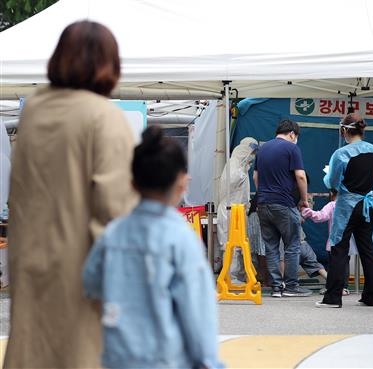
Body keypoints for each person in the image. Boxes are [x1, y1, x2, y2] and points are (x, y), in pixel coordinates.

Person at [4, 21, 137, 368]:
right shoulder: (104, 118)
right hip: (82, 272)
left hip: (29, 261)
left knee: (32, 352)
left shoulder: (33, 111)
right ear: (110, 65)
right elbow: (117, 210)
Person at [82, 127, 222, 369]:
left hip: (118, 357)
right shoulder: (182, 238)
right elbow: (197, 313)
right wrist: (209, 362)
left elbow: (91, 283)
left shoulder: (113, 233)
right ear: (182, 183)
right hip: (166, 359)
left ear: (132, 184)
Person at [316, 113, 373, 308]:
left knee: (339, 249)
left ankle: (333, 298)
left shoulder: (341, 154)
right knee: (367, 250)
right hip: (367, 205)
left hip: (347, 206)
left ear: (344, 130)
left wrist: (328, 175)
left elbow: (332, 182)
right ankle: (371, 296)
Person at [254, 119, 312, 298]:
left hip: (263, 204)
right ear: (292, 134)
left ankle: (277, 287)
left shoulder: (262, 149)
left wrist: (263, 195)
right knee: (292, 245)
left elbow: (256, 177)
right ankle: (291, 287)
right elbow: (300, 176)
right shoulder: (292, 148)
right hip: (284, 203)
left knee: (271, 247)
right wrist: (304, 199)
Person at [217, 137, 259, 282]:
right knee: (231, 245)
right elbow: (229, 184)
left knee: (241, 245)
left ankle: (239, 274)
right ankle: (231, 276)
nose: (253, 156)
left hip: (239, 211)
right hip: (229, 210)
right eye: (252, 153)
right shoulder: (233, 165)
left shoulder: (243, 168)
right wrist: (241, 173)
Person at [302, 189, 353, 296]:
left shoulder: (332, 205)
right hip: (349, 242)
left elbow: (321, 216)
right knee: (345, 264)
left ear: (331, 194)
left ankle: (332, 287)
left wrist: (308, 211)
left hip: (334, 241)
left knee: (334, 265)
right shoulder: (352, 204)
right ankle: (344, 287)